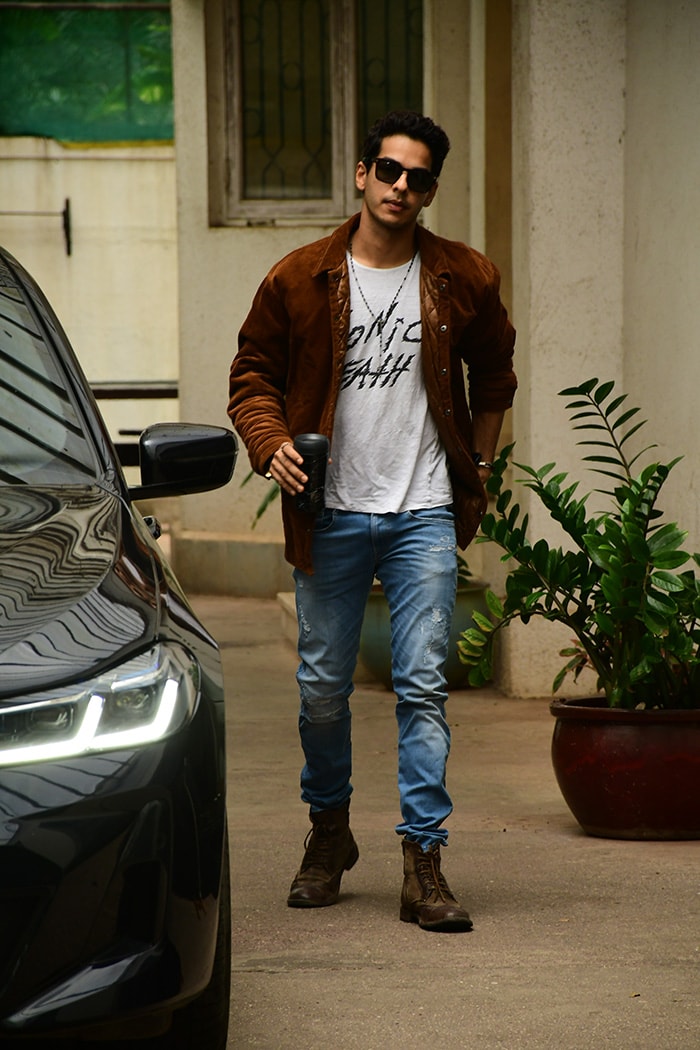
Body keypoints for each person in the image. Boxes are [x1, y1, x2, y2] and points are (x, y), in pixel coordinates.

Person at [228, 110, 516, 932]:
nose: (400, 188)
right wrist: (272, 441)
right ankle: (329, 834)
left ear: (430, 190)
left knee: (422, 684)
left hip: (423, 507)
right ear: (362, 174)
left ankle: (424, 861)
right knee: (323, 690)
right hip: (332, 513)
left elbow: (495, 374)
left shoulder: (464, 277)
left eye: (417, 178)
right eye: (388, 171)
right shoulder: (299, 277)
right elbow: (251, 376)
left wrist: (482, 466)